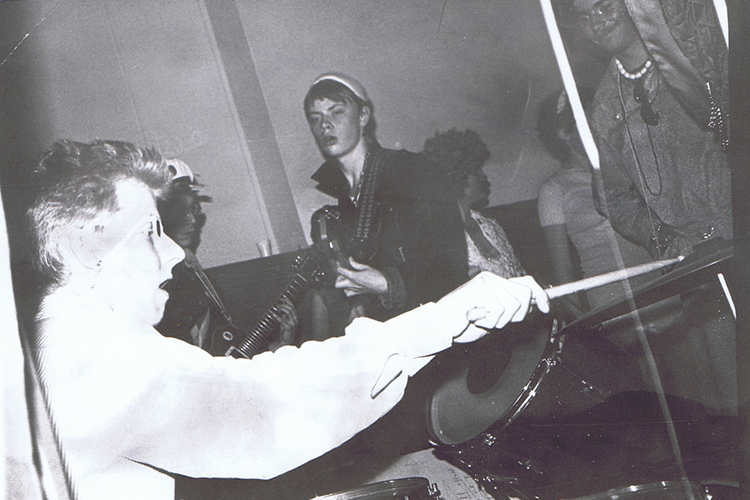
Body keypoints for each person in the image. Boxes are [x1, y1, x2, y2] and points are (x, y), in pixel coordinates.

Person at [26, 139, 550, 499]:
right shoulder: (92, 358)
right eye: (149, 232)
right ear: (81, 245)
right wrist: (441, 319)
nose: (174, 254)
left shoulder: (63, 342)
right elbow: (265, 410)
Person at [562, 0, 731, 259]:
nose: (596, 22)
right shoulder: (605, 106)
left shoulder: (691, 61)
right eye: (584, 17)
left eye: (604, 6)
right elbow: (614, 197)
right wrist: (660, 236)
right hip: (693, 258)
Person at [305, 73, 468, 335]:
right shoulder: (346, 197)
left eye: (336, 112)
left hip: (442, 333)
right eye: (316, 118)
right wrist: (359, 304)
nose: (325, 125)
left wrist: (385, 283)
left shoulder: (413, 172)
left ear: (363, 116)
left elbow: (450, 268)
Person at [155, 159, 297, 351]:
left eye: (194, 209)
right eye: (181, 211)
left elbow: (227, 350)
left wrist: (281, 344)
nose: (193, 219)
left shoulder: (192, 270)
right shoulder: (157, 280)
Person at [537, 90, 653, 315]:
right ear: (564, 133)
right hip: (612, 302)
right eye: (591, 121)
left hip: (657, 285)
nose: (601, 127)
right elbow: (563, 273)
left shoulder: (625, 170)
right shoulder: (554, 190)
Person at [421, 128, 525, 280]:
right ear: (457, 177)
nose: (483, 176)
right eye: (476, 170)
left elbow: (519, 272)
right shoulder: (440, 236)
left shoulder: (490, 225)